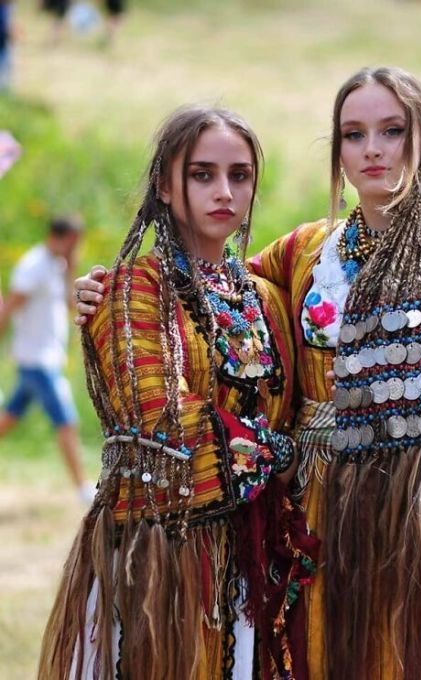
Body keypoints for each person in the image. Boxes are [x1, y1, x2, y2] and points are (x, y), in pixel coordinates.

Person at [75, 67, 421, 678]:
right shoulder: (304, 251)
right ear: (339, 151)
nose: (372, 150)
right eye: (353, 135)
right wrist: (106, 292)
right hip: (307, 512)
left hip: (418, 513)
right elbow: (216, 296)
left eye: (391, 131)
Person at [39, 106, 316, 679]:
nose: (224, 191)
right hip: (162, 558)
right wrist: (285, 456)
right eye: (202, 174)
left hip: (255, 558)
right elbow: (164, 420)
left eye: (239, 176)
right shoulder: (133, 290)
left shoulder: (266, 297)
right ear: (165, 186)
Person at [0, 215, 95, 504]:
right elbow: (9, 309)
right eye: (75, 243)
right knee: (66, 420)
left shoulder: (57, 266)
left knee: (8, 418)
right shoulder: (33, 266)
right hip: (37, 360)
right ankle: (82, 488)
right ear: (66, 238)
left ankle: (81, 486)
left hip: (46, 358)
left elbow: (69, 304)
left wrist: (71, 270)